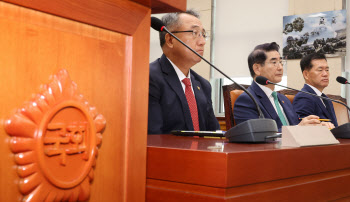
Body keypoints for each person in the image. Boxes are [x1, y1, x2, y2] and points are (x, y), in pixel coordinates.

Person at [234, 42, 333, 132]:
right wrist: (298, 129)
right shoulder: (246, 100)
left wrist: (317, 127)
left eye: (281, 62)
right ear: (257, 68)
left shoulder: (283, 99)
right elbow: (258, 135)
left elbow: (297, 127)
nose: (280, 67)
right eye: (274, 62)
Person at [148, 10, 220, 134]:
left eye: (203, 34)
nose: (202, 41)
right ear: (170, 40)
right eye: (194, 33)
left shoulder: (203, 85)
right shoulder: (150, 77)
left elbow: (214, 133)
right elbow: (153, 136)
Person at [293, 53, 338, 127]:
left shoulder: (325, 98)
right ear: (306, 74)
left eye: (327, 70)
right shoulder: (304, 97)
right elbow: (305, 128)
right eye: (320, 70)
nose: (325, 74)